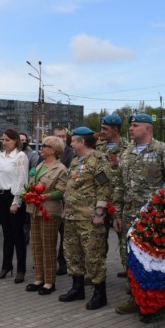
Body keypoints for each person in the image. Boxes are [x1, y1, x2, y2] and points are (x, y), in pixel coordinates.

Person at [112, 114, 165, 314]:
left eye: (135, 125)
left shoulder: (162, 150)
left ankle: (156, 302)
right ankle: (134, 297)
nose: (130, 129)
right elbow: (119, 185)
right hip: (129, 215)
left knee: (152, 259)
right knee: (129, 257)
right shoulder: (126, 152)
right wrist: (116, 214)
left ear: (147, 128)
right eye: (130, 125)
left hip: (153, 217)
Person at [60, 127, 112, 309]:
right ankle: (77, 288)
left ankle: (100, 293)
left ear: (82, 142)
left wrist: (100, 212)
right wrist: (66, 208)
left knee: (93, 256)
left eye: (73, 141)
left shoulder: (99, 159)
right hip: (73, 216)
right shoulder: (75, 160)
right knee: (72, 253)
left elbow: (104, 187)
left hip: (89, 217)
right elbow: (70, 187)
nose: (71, 144)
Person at [25, 136, 68, 294]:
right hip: (34, 209)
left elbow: (61, 191)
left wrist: (44, 197)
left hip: (49, 211)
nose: (41, 148)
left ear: (54, 150)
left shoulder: (60, 169)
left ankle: (49, 282)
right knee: (36, 245)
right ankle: (39, 278)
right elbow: (32, 183)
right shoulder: (40, 165)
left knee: (48, 246)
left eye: (45, 146)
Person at [0, 129, 29, 282]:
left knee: (18, 235)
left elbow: (22, 179)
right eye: (3, 139)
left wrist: (16, 202)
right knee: (7, 235)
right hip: (1, 195)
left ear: (15, 141)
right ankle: (6, 266)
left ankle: (21, 269)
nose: (4, 142)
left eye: (7, 139)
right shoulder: (1, 155)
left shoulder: (20, 156)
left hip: (14, 196)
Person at [95, 114, 128, 275]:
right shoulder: (99, 147)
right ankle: (97, 273)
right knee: (98, 239)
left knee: (124, 239)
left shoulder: (127, 148)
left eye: (105, 129)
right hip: (100, 199)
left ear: (115, 129)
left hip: (118, 200)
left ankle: (129, 274)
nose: (102, 132)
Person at [52, 126, 73, 276]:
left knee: (65, 233)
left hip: (66, 199)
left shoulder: (71, 153)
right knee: (51, 232)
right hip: (51, 199)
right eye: (58, 136)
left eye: (63, 136)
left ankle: (63, 262)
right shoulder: (47, 153)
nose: (61, 139)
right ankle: (49, 260)